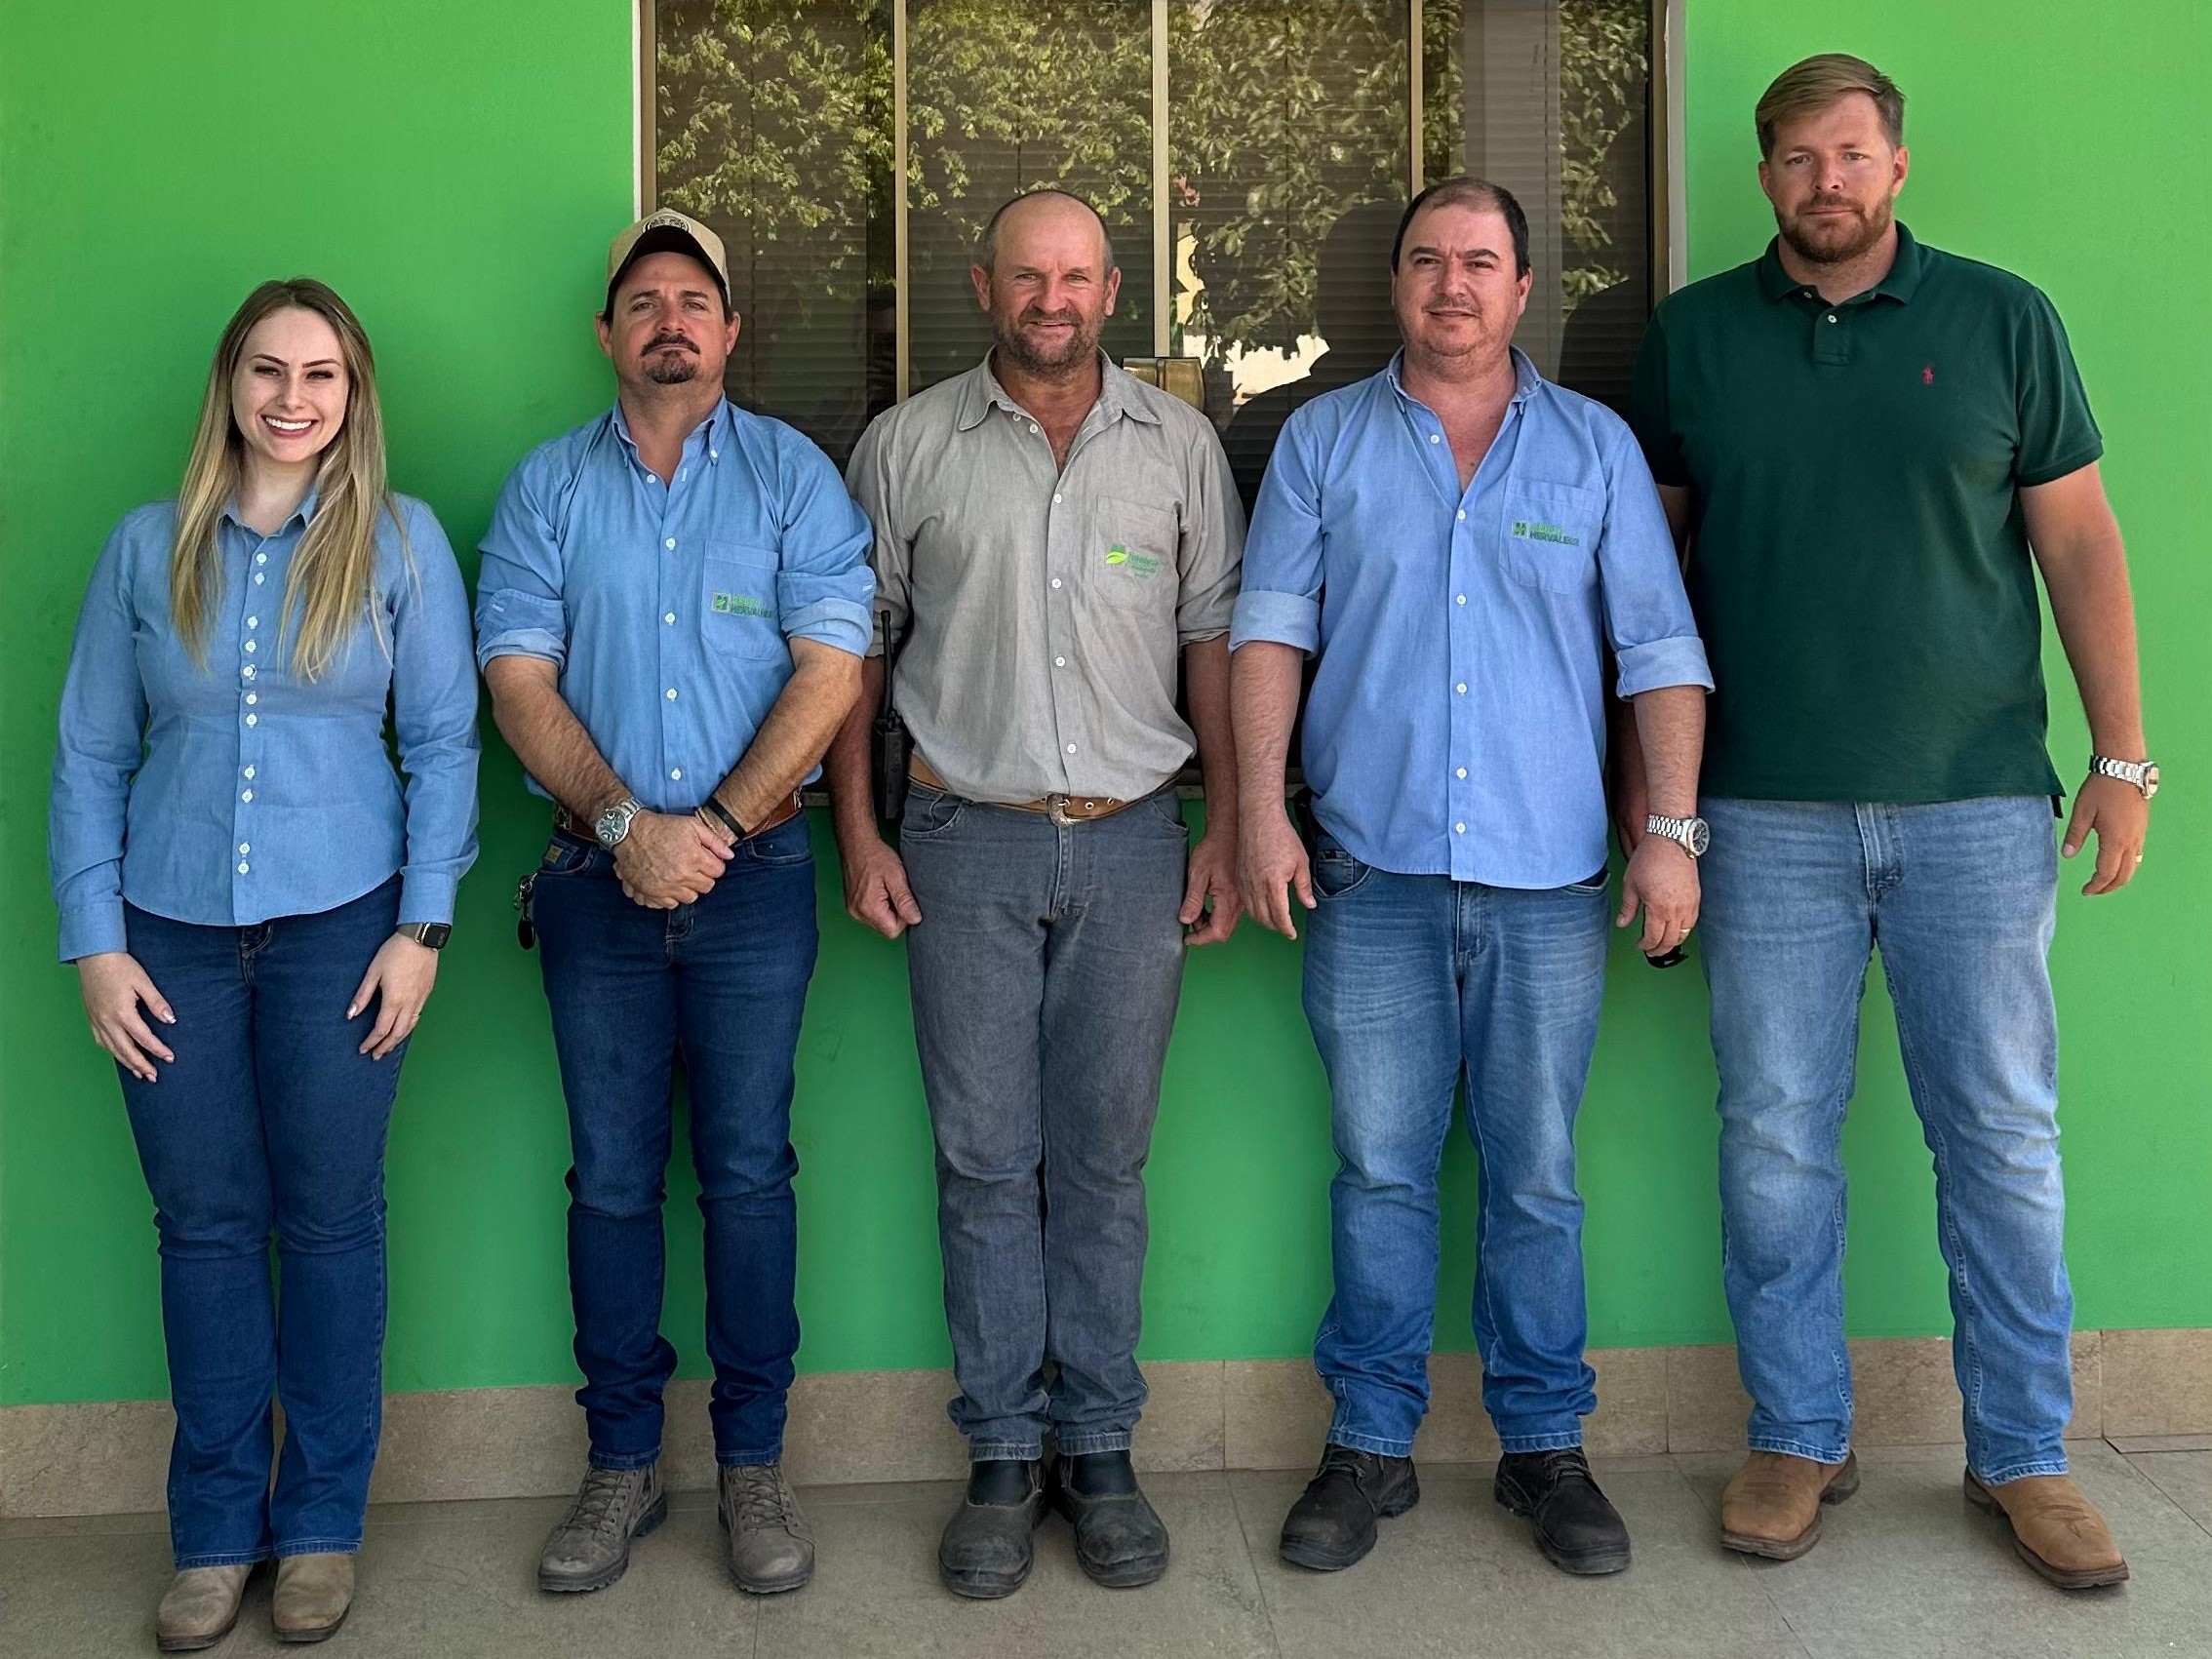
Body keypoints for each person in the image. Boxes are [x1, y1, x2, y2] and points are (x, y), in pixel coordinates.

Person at [1624, 55, 2151, 1590]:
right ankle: (1797, 1431)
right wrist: (1655, 809)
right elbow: (1650, 599)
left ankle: (2026, 1457)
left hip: (1977, 809)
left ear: (1897, 167)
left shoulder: (2003, 321)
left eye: (1851, 154)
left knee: (2000, 1138)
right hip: (1761, 812)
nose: (1825, 181)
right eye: (1796, 158)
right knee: (1775, 1136)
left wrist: (2126, 760)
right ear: (1767, 176)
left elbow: (2081, 543)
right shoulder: (1694, 338)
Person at [1232, 179, 1711, 1576]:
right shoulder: (1322, 442)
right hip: (1367, 873)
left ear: (1520, 290)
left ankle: (1544, 1447)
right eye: (1430, 261)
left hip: (1550, 880)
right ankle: (1371, 1443)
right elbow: (1270, 636)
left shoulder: (1596, 452)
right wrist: (1258, 812)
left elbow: (1660, 652)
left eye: (1481, 262)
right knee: (1379, 1169)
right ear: (1395, 285)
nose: (1454, 283)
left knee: (1538, 1175)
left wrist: (1669, 832)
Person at [50, 278, 480, 1648]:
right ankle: (215, 1527)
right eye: (267, 371)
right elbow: (89, 755)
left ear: (355, 397)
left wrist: (422, 927)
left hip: (345, 929)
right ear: (228, 386)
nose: (292, 400)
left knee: (334, 1221)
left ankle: (319, 1526)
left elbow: (447, 745)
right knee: (207, 1226)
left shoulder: (401, 545)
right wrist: (94, 943)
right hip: (167, 933)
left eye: (322, 377)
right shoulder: (142, 548)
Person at [828, 189, 1244, 1599]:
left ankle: (1103, 1445)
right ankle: (1005, 1451)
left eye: (1074, 275)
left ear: (1111, 286)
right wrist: (861, 836)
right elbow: (857, 659)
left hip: (1135, 843)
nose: (1051, 299)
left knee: (1109, 1162)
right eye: (1026, 275)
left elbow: (1214, 648)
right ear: (982, 284)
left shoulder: (1179, 446)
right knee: (986, 1161)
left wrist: (1229, 826)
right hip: (962, 836)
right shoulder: (908, 447)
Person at [476, 210, 873, 1599]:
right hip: (593, 886)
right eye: (643, 300)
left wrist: (710, 827)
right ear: (607, 333)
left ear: (731, 330)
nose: (671, 321)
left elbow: (832, 670)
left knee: (751, 1173)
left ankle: (753, 1466)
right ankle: (621, 1465)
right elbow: (518, 681)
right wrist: (627, 826)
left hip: (755, 882)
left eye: (695, 299)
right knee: (611, 1179)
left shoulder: (793, 479)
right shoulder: (544, 491)